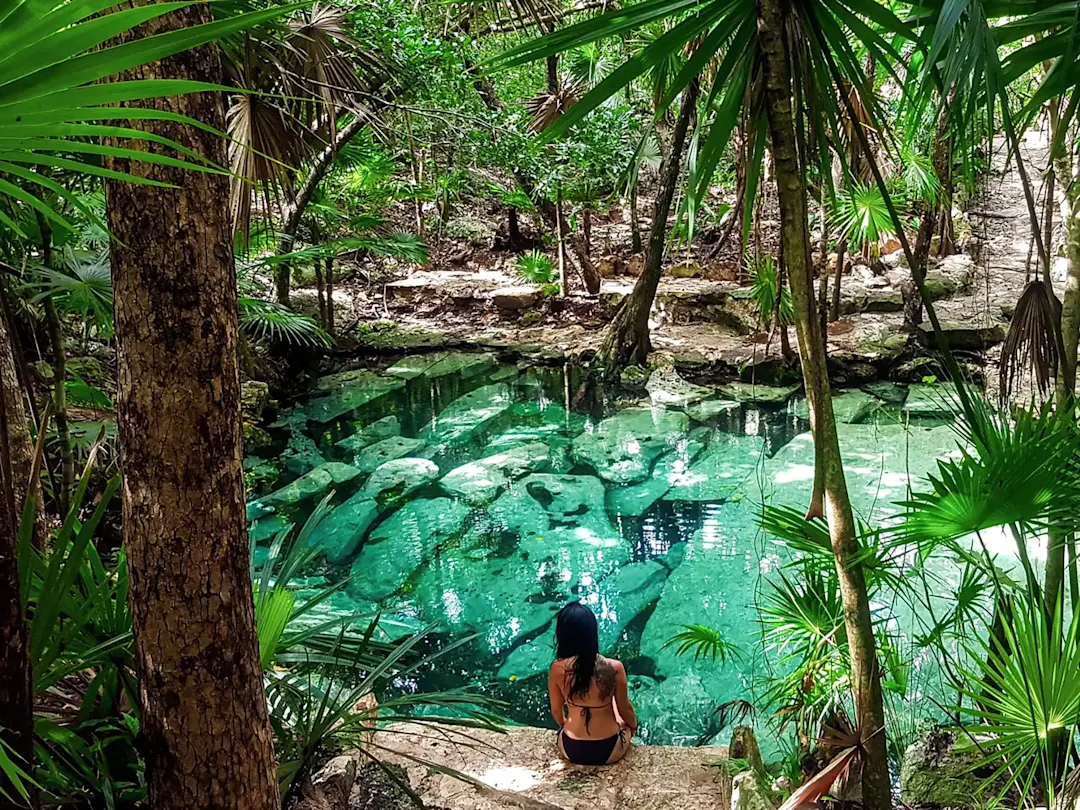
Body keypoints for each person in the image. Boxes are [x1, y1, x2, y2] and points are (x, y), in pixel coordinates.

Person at [547, 601, 637, 765]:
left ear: (562, 635)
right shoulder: (614, 668)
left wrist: (566, 725)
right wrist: (633, 727)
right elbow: (625, 709)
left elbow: (556, 712)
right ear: (592, 633)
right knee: (617, 710)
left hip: (571, 748)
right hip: (609, 748)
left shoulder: (557, 668)